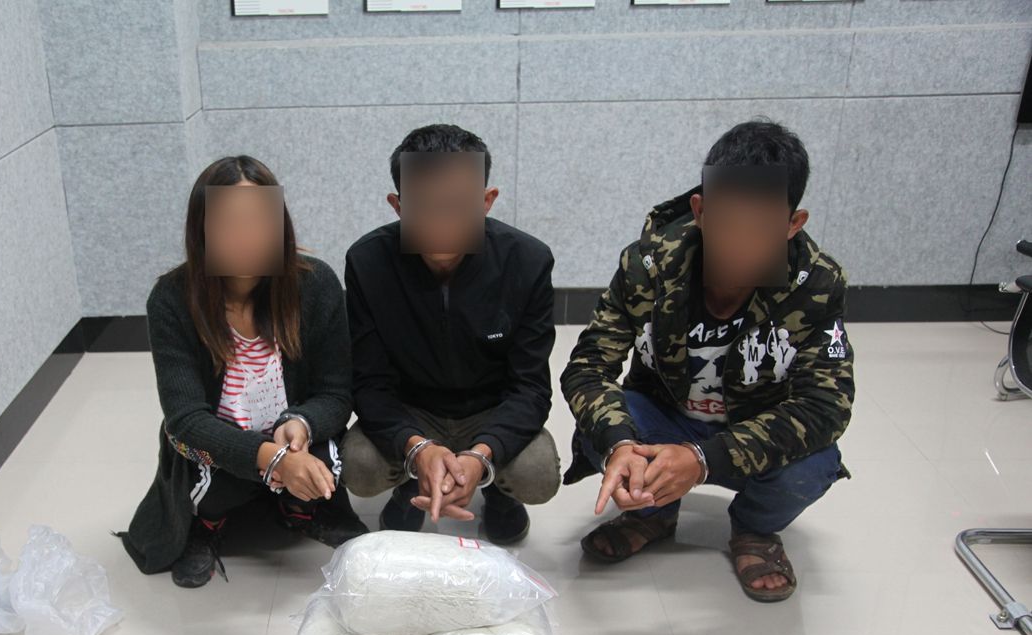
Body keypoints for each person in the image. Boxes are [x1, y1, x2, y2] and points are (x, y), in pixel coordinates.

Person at [560, 118, 854, 602]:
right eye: (726, 224)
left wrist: (702, 460)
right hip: (663, 419)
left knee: (815, 463)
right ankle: (652, 513)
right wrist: (620, 445)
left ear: (792, 224)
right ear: (699, 211)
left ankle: (754, 530)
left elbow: (826, 407)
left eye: (760, 230)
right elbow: (588, 367)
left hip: (754, 428)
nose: (739, 246)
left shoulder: (817, 283)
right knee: (601, 429)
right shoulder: (648, 264)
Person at [116, 155, 367, 588]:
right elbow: (185, 417)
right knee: (212, 477)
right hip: (219, 436)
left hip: (294, 434)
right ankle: (206, 524)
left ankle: (300, 509)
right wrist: (270, 459)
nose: (247, 237)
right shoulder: (172, 298)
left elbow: (335, 393)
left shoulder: (315, 284)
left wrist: (300, 424)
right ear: (202, 230)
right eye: (229, 223)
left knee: (330, 462)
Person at [340, 124, 561, 544]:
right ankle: (412, 480)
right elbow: (368, 382)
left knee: (537, 473)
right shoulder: (368, 262)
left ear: (486, 201)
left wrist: (482, 455)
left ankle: (496, 491)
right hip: (413, 407)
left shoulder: (527, 261)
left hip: (489, 408)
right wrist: (417, 448)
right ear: (398, 205)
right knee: (360, 466)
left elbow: (530, 388)